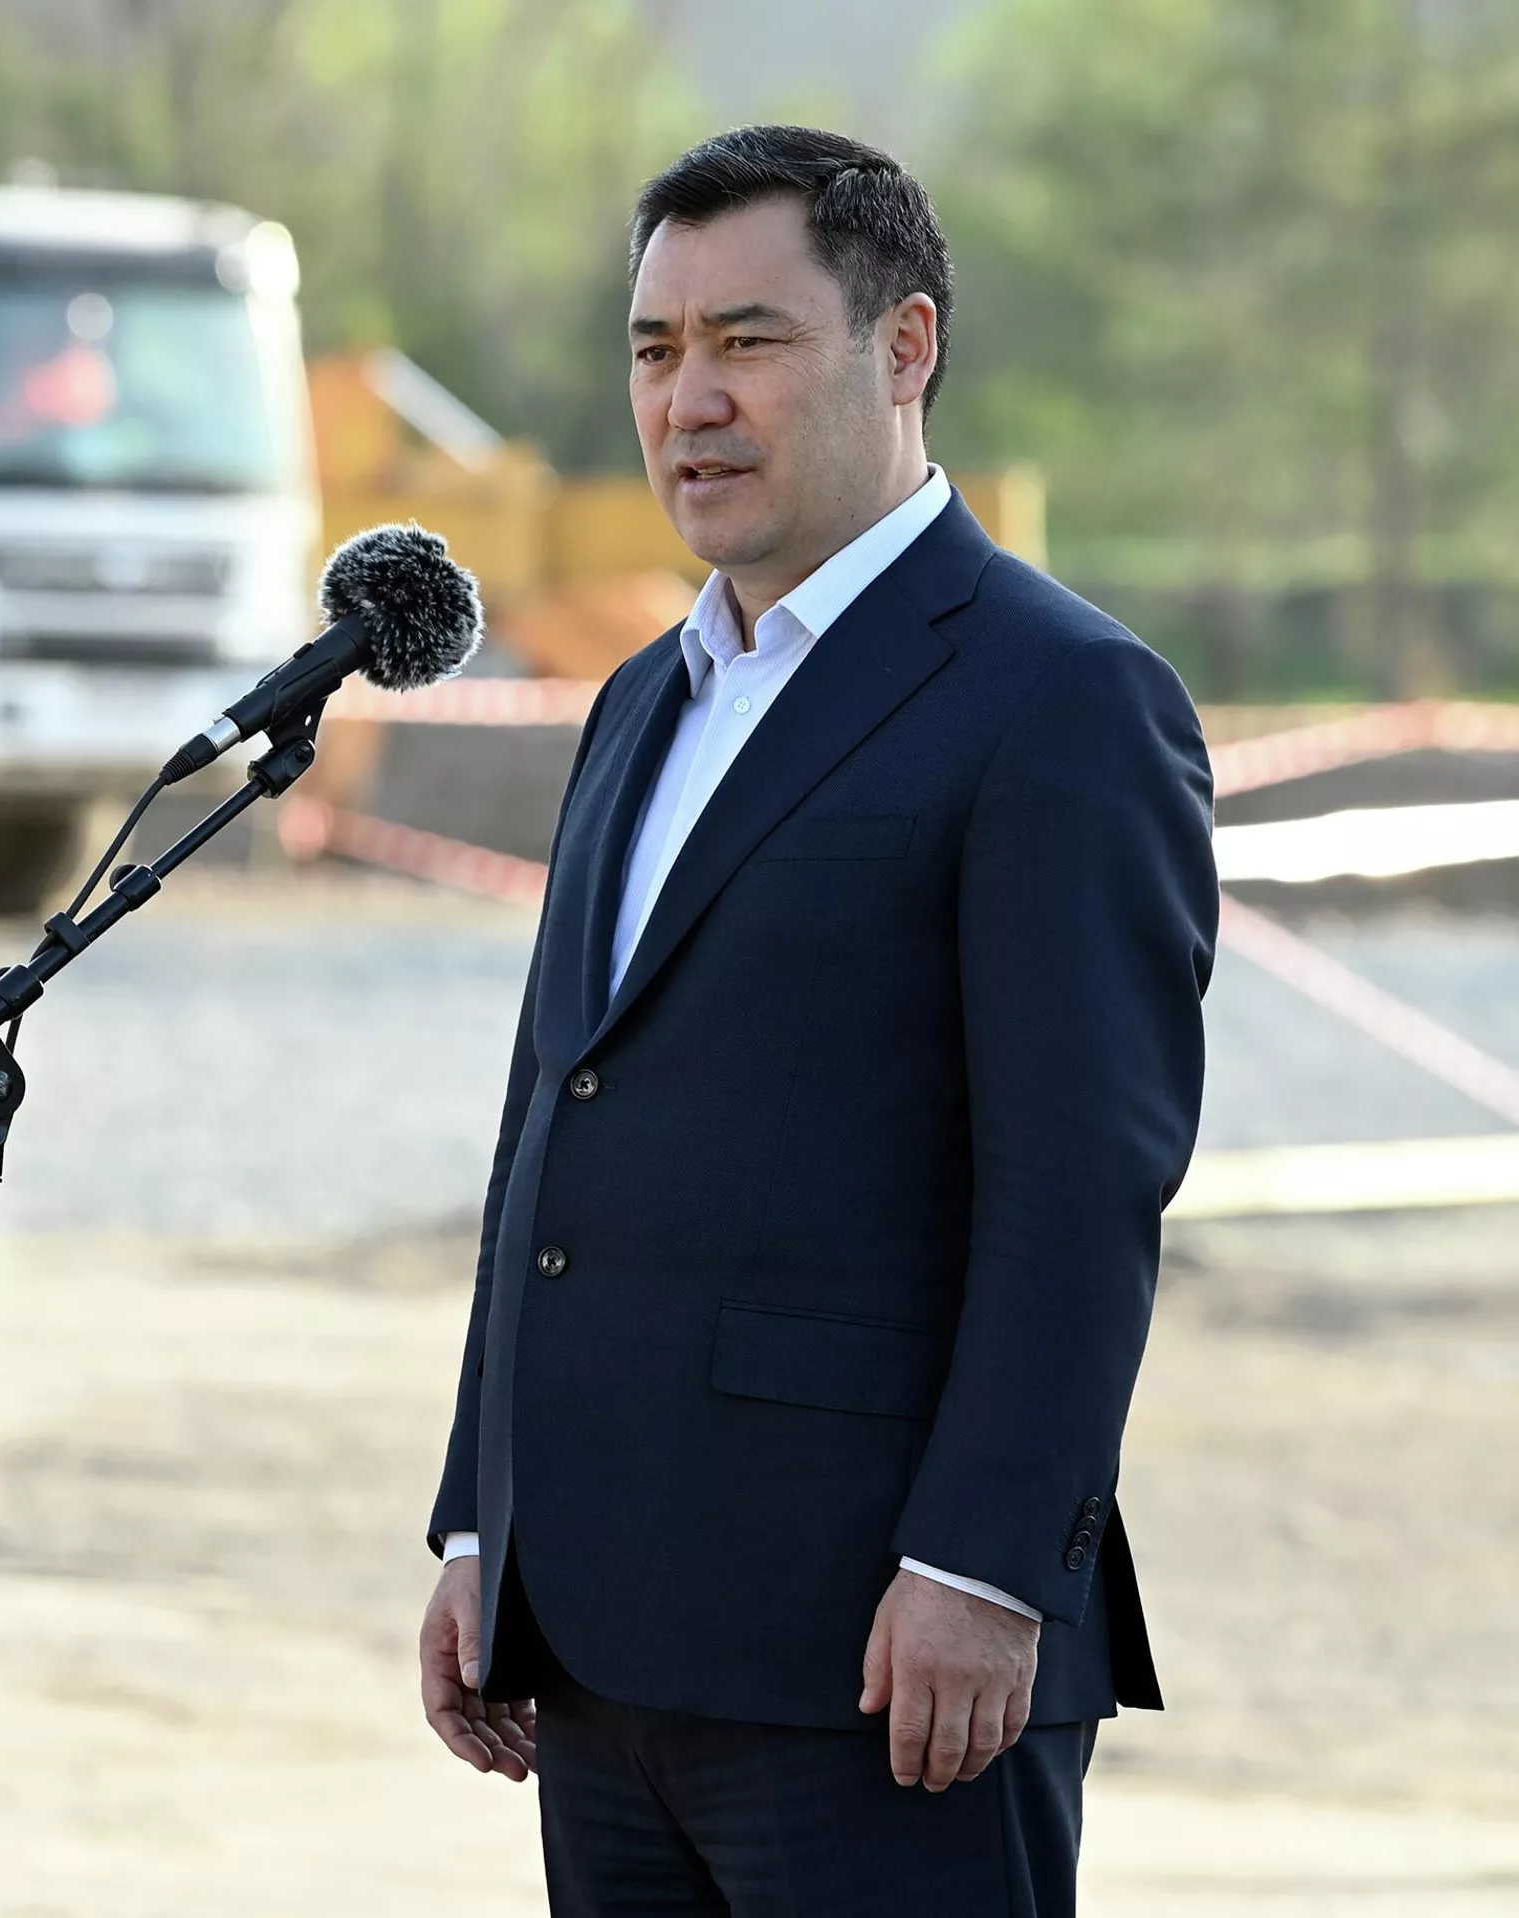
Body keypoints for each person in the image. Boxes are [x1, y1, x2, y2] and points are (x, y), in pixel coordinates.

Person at [418, 124, 1217, 1916]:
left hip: (880, 1660)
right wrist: (482, 1518)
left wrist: (987, 1567)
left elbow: (1080, 1191)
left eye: (747, 340)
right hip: (597, 1647)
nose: (688, 398)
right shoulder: (642, 698)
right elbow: (554, 1125)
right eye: (654, 348)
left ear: (904, 345)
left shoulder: (1065, 699)